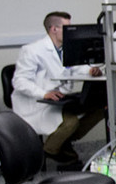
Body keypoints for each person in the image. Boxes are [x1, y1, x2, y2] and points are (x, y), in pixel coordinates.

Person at [11, 11, 105, 169]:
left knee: (100, 110)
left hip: (59, 99)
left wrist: (89, 71)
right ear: (53, 29)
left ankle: (62, 143)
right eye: (67, 29)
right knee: (71, 122)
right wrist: (44, 93)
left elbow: (73, 68)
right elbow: (19, 81)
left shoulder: (65, 49)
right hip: (38, 103)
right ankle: (50, 149)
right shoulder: (32, 50)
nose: (71, 33)